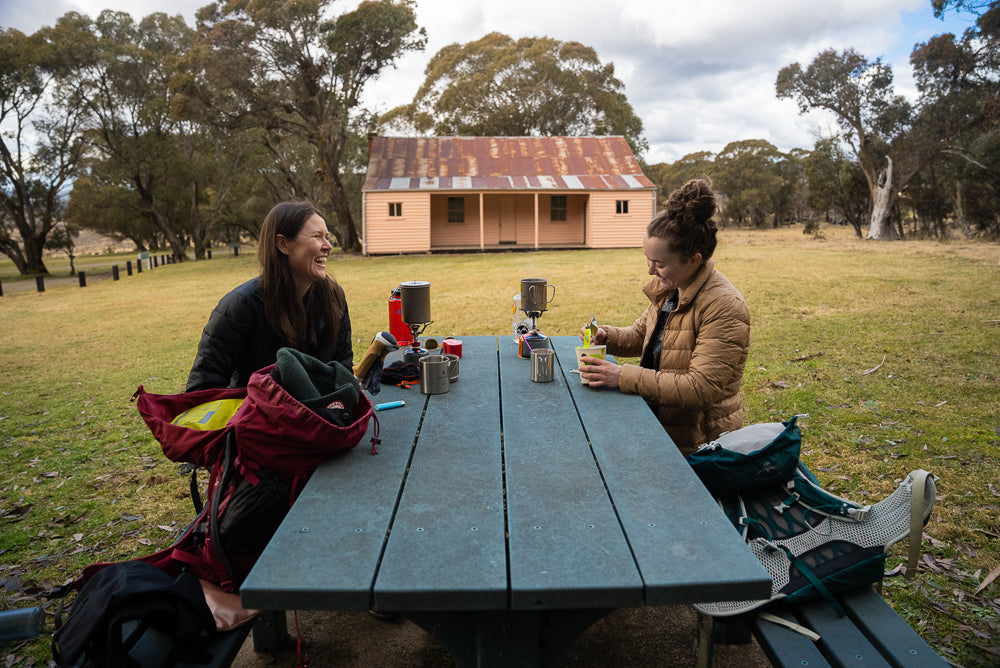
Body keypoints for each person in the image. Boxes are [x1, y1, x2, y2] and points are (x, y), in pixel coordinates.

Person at [578, 178, 750, 455]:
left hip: (698, 446)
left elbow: (700, 387)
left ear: (694, 260)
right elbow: (642, 336)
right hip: (659, 426)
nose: (650, 271)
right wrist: (607, 336)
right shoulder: (672, 288)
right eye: (647, 259)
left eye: (659, 264)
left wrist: (622, 376)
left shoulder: (724, 307)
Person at [186, 200, 352, 391]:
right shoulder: (240, 306)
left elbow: (343, 369)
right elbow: (202, 389)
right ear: (283, 244)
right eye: (317, 237)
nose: (328, 246)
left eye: (327, 237)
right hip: (255, 418)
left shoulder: (334, 297)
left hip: (320, 419)